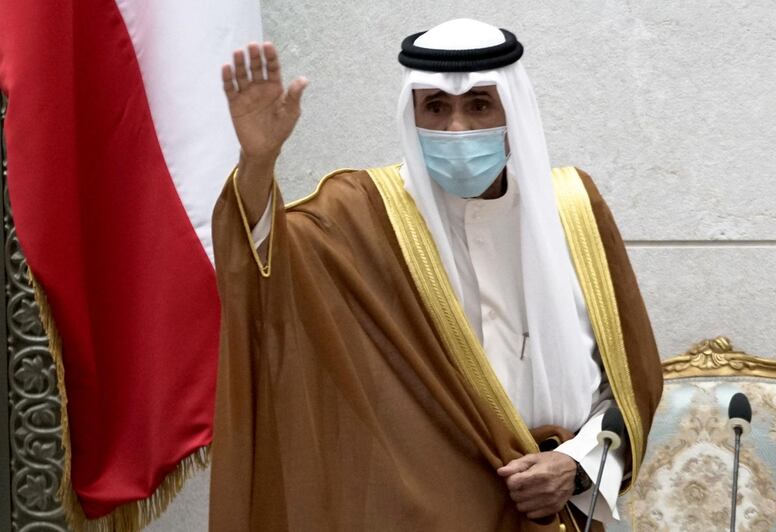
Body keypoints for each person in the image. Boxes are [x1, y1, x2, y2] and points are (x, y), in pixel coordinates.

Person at [209, 18, 662, 532]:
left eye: (479, 106)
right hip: (419, 509)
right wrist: (257, 164)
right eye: (437, 108)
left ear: (513, 111)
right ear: (413, 114)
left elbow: (631, 383)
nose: (457, 129)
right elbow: (265, 279)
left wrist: (577, 466)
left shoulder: (574, 210)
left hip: (555, 511)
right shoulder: (362, 212)